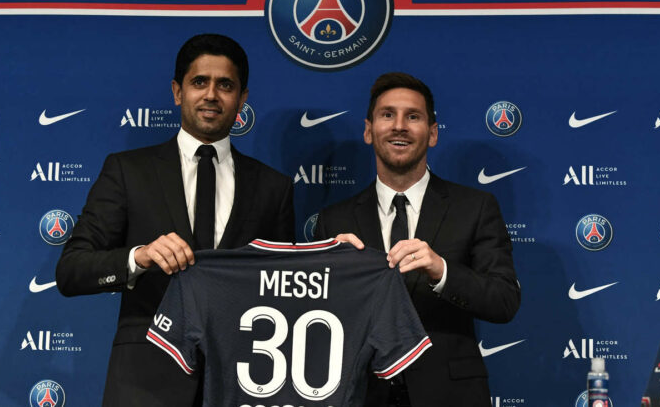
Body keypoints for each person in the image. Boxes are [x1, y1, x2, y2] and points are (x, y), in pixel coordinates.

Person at [56, 34, 295, 407]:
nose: (212, 95)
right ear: (177, 92)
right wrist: (139, 257)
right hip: (145, 382)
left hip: (241, 383)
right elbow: (71, 270)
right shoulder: (127, 171)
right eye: (199, 82)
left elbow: (284, 290)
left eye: (225, 85)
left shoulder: (273, 187)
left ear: (242, 99)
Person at [314, 72, 520, 407]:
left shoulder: (475, 207)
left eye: (413, 116)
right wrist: (334, 279)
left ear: (433, 133)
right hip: (361, 394)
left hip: (449, 395)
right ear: (368, 131)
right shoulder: (333, 220)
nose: (399, 126)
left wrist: (442, 271)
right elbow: (317, 322)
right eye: (387, 115)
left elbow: (504, 300)